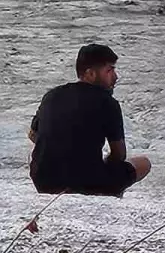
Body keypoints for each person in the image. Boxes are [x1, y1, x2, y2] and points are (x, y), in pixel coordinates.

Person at [28, 45, 152, 197]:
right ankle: (112, 194)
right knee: (143, 163)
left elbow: (33, 135)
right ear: (90, 74)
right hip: (87, 183)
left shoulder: (52, 95)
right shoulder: (108, 102)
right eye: (109, 70)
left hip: (43, 181)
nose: (115, 76)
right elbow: (119, 154)